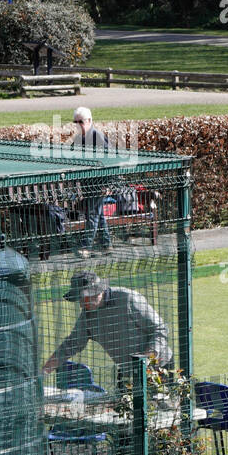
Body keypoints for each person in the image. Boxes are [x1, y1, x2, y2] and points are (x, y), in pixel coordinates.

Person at [42, 271, 172, 376]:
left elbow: (160, 329)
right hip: (128, 372)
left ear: (97, 292)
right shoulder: (87, 315)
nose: (81, 304)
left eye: (83, 299)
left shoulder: (128, 299)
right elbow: (72, 344)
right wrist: (44, 371)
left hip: (159, 368)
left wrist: (147, 360)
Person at [70, 106, 111, 258]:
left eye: (80, 121)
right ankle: (107, 244)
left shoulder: (97, 137)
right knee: (98, 215)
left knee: (92, 214)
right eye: (75, 121)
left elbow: (110, 160)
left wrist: (107, 184)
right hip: (87, 183)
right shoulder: (79, 138)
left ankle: (86, 246)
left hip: (98, 184)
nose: (77, 124)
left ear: (89, 121)